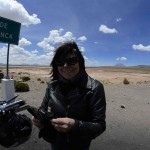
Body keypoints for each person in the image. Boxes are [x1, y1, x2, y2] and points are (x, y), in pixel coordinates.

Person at [32, 41, 106, 150]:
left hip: (79, 145)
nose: (65, 66)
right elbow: (43, 109)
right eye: (60, 62)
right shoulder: (52, 86)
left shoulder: (94, 87)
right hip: (55, 141)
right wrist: (39, 119)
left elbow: (99, 125)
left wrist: (75, 125)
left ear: (80, 62)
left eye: (71, 60)